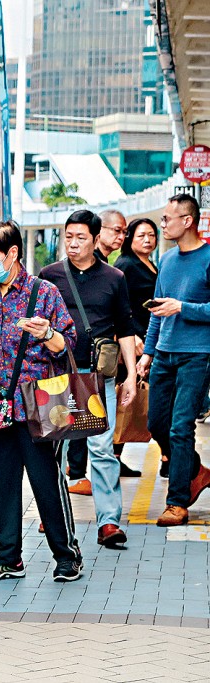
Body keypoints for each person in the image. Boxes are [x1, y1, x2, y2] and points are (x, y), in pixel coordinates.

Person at [0, 220, 84, 582]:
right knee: (1, 481)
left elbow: (69, 345)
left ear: (12, 253)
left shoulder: (43, 293)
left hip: (38, 404)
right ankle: (7, 557)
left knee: (45, 481)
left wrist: (49, 334)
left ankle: (66, 555)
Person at [39, 210, 137, 550]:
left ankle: (109, 522)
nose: (73, 243)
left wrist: (133, 376)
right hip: (58, 376)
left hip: (98, 378)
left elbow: (125, 329)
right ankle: (53, 513)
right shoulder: (49, 277)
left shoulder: (114, 278)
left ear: (96, 239)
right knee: (56, 448)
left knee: (101, 448)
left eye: (81, 237)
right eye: (68, 236)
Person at [136, 194, 210, 526]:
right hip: (164, 353)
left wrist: (183, 308)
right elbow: (155, 313)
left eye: (168, 219)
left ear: (188, 221)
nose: (162, 224)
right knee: (156, 423)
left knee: (181, 427)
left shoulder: (208, 258)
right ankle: (195, 471)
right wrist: (148, 354)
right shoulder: (165, 261)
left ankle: (177, 501)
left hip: (198, 354)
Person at [113, 217, 160, 476]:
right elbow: (122, 306)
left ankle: (165, 456)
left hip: (151, 339)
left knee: (143, 401)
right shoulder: (126, 265)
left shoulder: (150, 263)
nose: (147, 240)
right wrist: (131, 337)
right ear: (130, 238)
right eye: (141, 235)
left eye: (151, 235)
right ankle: (114, 456)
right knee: (128, 400)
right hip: (136, 343)